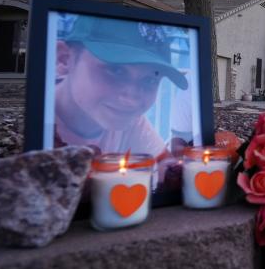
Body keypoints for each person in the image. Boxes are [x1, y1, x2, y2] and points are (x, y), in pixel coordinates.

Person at [53, 15, 188, 164]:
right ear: (64, 59)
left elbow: (167, 168)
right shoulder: (38, 119)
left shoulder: (127, 119)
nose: (131, 99)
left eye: (150, 80)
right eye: (115, 70)